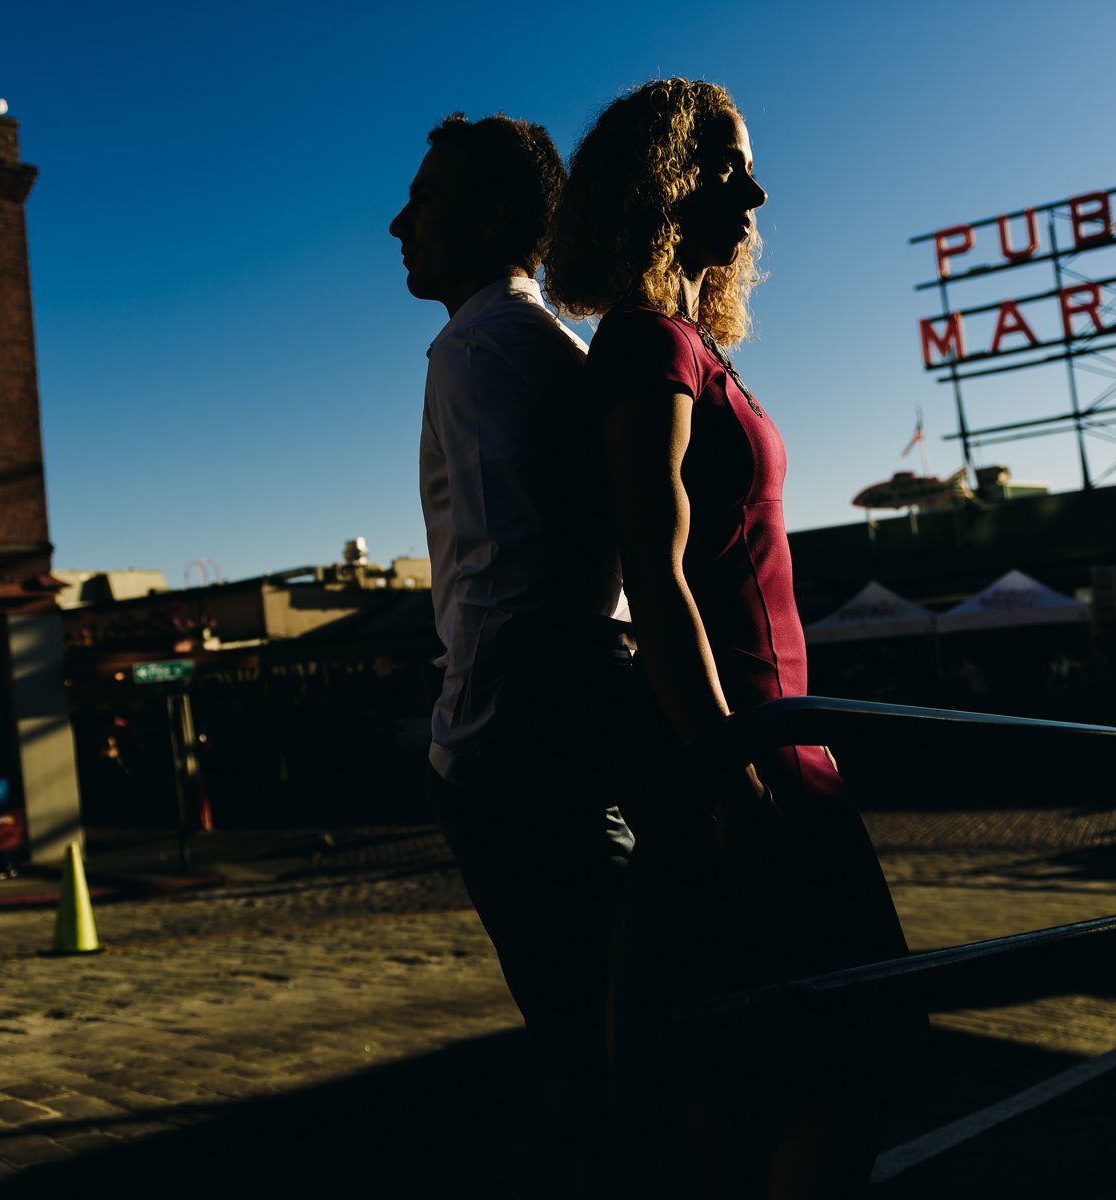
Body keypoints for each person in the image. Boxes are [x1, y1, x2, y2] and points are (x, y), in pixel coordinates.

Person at [547, 79, 915, 1198]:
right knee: (837, 1070)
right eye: (722, 165)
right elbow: (653, 577)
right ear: (655, 187)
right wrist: (733, 784)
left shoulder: (687, 347)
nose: (753, 189)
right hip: (743, 764)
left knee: (751, 1084)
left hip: (771, 754)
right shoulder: (651, 347)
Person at [389, 112, 635, 1193]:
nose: (400, 223)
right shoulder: (550, 344)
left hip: (516, 750)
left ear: (493, 219)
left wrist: (460, 748)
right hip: (582, 725)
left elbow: (498, 577)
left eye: (427, 198)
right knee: (617, 1019)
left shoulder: (477, 345)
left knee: (587, 1043)